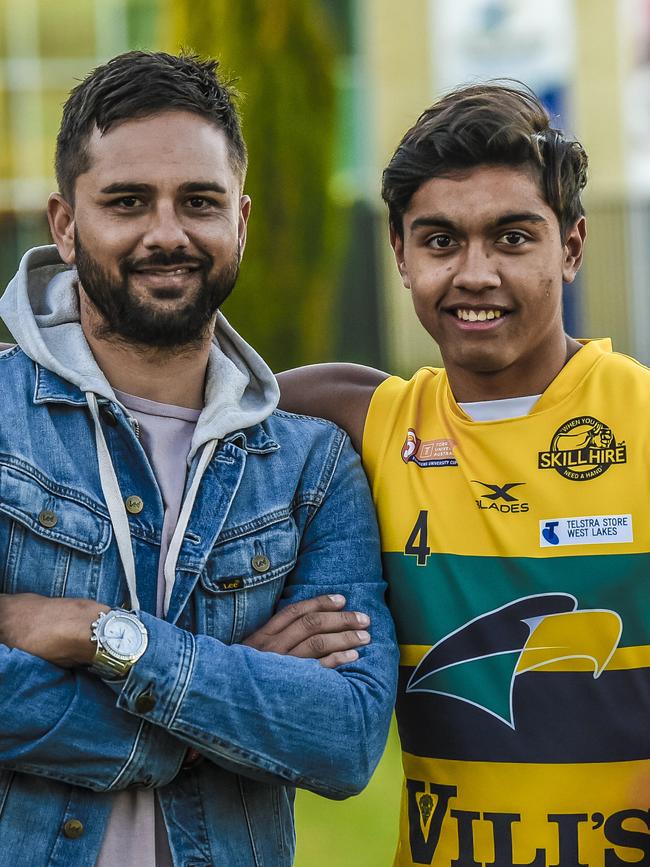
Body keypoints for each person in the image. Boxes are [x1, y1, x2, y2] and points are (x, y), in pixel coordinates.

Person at [0, 51, 397, 867]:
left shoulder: (310, 466)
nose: (168, 232)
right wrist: (203, 717)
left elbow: (345, 736)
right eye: (127, 201)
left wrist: (95, 632)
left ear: (240, 221)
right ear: (66, 224)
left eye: (200, 202)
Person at [279, 83, 650, 864]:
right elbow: (176, 392)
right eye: (441, 240)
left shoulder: (641, 423)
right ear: (401, 255)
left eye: (512, 238)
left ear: (572, 247)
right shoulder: (363, 418)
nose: (474, 272)